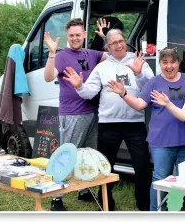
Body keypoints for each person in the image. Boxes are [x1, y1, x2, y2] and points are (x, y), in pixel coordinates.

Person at [62, 29, 154, 211]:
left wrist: (138, 73)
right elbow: (89, 92)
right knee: (106, 167)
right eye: (114, 43)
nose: (119, 45)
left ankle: (144, 205)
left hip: (135, 123)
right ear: (108, 46)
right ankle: (105, 204)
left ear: (125, 41)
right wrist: (79, 86)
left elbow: (150, 87)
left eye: (121, 41)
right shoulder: (102, 67)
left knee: (142, 166)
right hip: (108, 124)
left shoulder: (138, 61)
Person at [107, 47, 185, 211]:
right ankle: (157, 212)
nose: (169, 66)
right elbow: (140, 104)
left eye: (172, 62)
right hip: (161, 141)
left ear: (178, 62)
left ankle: (176, 211)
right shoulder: (154, 82)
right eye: (164, 62)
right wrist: (123, 93)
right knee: (161, 179)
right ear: (160, 63)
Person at [44, 18, 109, 211]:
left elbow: (112, 56)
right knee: (67, 154)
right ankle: (56, 198)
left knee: (87, 155)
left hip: (92, 111)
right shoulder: (62, 55)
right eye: (71, 35)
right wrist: (51, 53)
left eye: (78, 35)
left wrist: (104, 38)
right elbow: (48, 77)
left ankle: (84, 190)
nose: (75, 38)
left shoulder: (91, 53)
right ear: (67, 36)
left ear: (84, 35)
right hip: (72, 114)